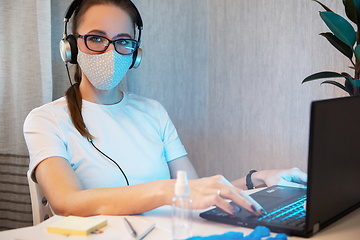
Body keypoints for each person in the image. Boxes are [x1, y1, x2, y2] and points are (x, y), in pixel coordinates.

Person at [23, 0, 307, 218]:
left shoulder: (153, 112)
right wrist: (167, 191)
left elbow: (194, 190)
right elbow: (67, 202)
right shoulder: (45, 120)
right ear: (71, 47)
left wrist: (257, 179)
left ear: (135, 53)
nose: (110, 51)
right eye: (96, 38)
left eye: (122, 41)